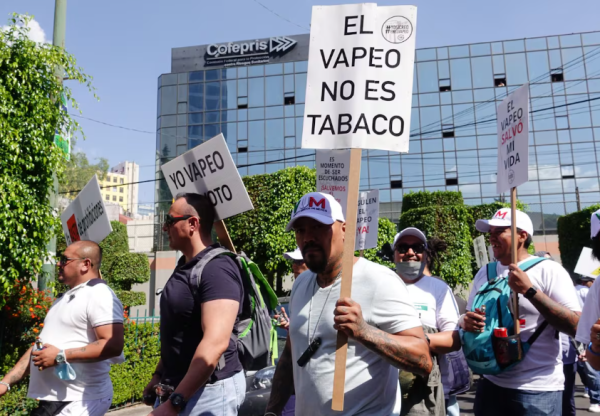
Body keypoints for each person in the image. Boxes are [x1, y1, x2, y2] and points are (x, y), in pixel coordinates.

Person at [265, 192, 432, 416]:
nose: (307, 238)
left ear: (344, 230)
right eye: (300, 230)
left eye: (318, 227)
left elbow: (423, 359)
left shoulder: (379, 280)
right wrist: (272, 411)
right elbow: (289, 356)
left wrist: (364, 332)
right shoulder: (301, 284)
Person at [461, 208, 581, 416]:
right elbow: (466, 317)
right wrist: (466, 321)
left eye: (499, 231)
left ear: (522, 235)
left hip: (537, 390)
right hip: (490, 384)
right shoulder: (485, 272)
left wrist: (530, 291)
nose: (491, 237)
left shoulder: (549, 270)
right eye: (490, 232)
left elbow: (576, 325)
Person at [144, 193, 245, 416]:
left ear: (192, 224)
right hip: (179, 391)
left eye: (170, 221)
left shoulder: (218, 269)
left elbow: (215, 344)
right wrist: (158, 376)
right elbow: (179, 334)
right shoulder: (185, 266)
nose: (164, 228)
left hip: (208, 394)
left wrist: (174, 403)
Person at [0, 241, 125, 416]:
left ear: (85, 264)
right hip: (55, 401)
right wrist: (6, 382)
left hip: (82, 401)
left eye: (64, 260)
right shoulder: (66, 298)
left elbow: (113, 345)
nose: (58, 263)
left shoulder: (99, 294)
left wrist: (61, 355)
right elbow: (39, 348)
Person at [393, 228, 465, 416]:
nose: (410, 252)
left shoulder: (438, 288)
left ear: (425, 254)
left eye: (417, 247)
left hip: (421, 392)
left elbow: (453, 338)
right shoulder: (380, 284)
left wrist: (414, 341)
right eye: (403, 247)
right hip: (380, 386)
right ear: (394, 254)